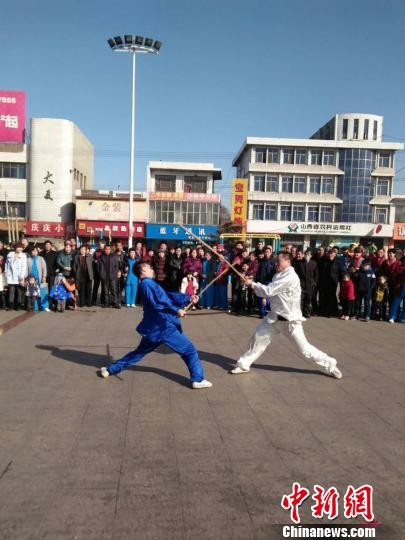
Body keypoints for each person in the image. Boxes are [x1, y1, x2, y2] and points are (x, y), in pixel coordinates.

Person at [100, 261, 212, 389]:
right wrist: (176, 310)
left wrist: (188, 298)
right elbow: (158, 302)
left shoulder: (148, 283)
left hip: (154, 328)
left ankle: (110, 370)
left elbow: (166, 296)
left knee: (138, 353)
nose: (152, 268)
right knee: (189, 350)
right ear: (142, 271)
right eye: (149, 267)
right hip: (163, 327)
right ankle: (198, 379)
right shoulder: (147, 284)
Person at [230, 252, 342, 379]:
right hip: (274, 318)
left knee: (305, 349)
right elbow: (272, 292)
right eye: (275, 262)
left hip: (290, 321)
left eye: (279, 261)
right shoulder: (278, 275)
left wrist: (252, 284)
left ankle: (330, 364)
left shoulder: (290, 276)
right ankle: (244, 364)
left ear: (288, 262)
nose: (276, 264)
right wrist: (254, 285)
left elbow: (269, 290)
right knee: (257, 339)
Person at [292, 249, 318, 318]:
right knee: (300, 300)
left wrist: (314, 283)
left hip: (310, 285)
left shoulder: (314, 263)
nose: (307, 256)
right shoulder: (299, 263)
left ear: (311, 256)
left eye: (309, 254)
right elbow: (296, 274)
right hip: (301, 285)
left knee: (308, 300)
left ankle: (306, 313)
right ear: (304, 255)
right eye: (306, 254)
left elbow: (316, 274)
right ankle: (299, 313)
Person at [317, 250, 342, 317]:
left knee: (332, 296)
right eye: (329, 253)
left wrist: (339, 280)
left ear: (335, 254)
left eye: (332, 253)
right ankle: (323, 311)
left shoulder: (338, 262)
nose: (331, 255)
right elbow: (319, 271)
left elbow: (341, 272)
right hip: (324, 281)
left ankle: (333, 311)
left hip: (333, 282)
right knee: (323, 296)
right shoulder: (323, 261)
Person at [5, 243, 28, 310]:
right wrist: (6, 273)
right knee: (11, 291)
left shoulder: (23, 256)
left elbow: (24, 267)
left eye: (21, 247)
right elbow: (6, 265)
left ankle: (18, 305)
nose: (19, 249)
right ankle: (11, 305)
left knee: (19, 291)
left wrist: (21, 276)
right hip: (11, 276)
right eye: (18, 247)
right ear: (15, 248)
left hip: (19, 276)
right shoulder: (10, 254)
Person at [91, 240, 106, 306]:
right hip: (97, 272)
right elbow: (93, 259)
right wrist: (95, 261)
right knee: (95, 286)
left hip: (104, 272)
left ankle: (102, 300)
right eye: (99, 244)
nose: (100, 245)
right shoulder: (96, 251)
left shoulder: (106, 251)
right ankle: (93, 300)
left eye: (101, 244)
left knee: (103, 287)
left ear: (104, 244)